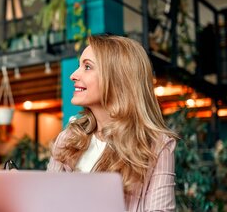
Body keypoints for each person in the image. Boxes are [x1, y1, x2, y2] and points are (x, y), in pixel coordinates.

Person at [47, 34, 178, 211]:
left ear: (117, 78)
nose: (73, 75)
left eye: (87, 67)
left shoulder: (157, 146)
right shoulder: (68, 139)